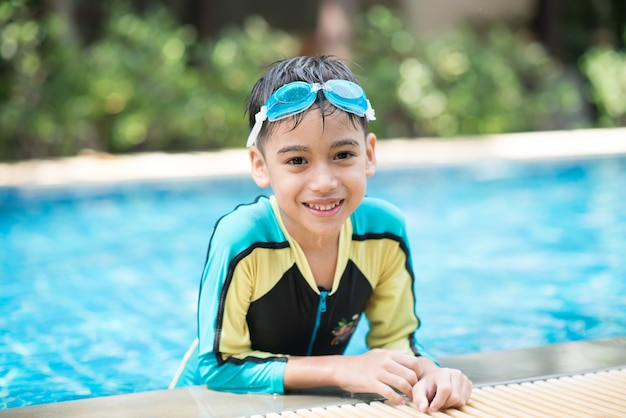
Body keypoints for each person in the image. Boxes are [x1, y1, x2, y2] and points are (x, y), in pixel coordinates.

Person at [170, 55, 472, 413]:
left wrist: (431, 374)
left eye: (343, 154)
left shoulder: (384, 233)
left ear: (369, 155)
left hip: (305, 406)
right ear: (260, 166)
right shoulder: (243, 239)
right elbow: (218, 367)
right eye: (297, 161)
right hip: (202, 404)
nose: (324, 183)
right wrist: (340, 369)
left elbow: (397, 342)